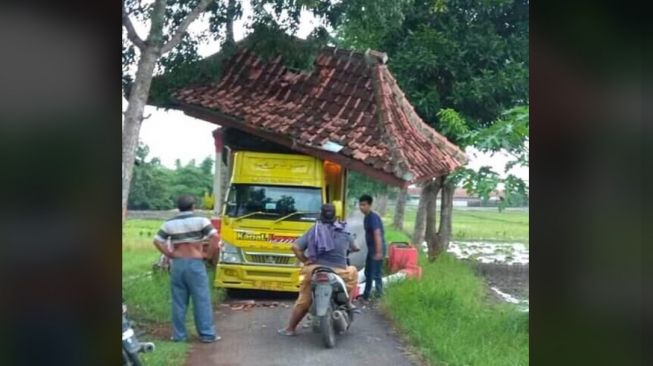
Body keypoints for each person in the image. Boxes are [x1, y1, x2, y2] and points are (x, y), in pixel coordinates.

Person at [278, 203, 359, 336]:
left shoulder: (314, 230)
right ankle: (348, 303)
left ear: (321, 215)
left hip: (315, 270)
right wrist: (351, 248)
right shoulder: (344, 231)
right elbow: (355, 247)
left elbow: (295, 247)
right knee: (353, 271)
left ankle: (290, 329)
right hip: (339, 272)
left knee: (304, 299)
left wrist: (305, 260)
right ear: (335, 215)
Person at [152, 194, 221, 343]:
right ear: (193, 206)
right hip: (195, 263)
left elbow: (157, 240)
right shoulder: (201, 221)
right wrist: (207, 255)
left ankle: (179, 336)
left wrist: (168, 253)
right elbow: (215, 238)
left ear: (178, 207)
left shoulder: (169, 224)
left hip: (177, 264)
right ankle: (207, 334)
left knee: (179, 301)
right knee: (201, 300)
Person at [359, 194, 386, 300]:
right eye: (360, 205)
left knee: (376, 274)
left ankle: (379, 296)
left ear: (370, 205)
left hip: (377, 250)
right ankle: (366, 295)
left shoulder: (373, 217)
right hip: (371, 251)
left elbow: (377, 234)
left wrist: (379, 252)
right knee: (368, 272)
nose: (362, 207)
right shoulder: (367, 217)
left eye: (364, 205)